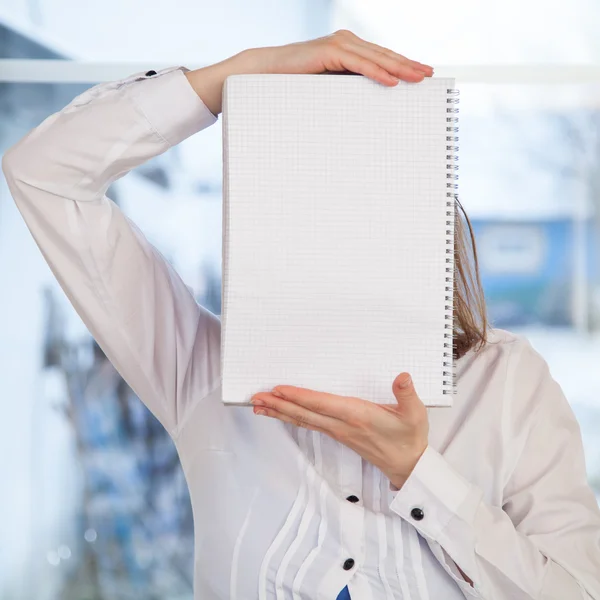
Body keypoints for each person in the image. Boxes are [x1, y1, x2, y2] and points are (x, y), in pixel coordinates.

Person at [3, 29, 600, 600]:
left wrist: (420, 476)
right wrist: (229, 79)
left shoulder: (507, 383)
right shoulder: (202, 373)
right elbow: (46, 174)